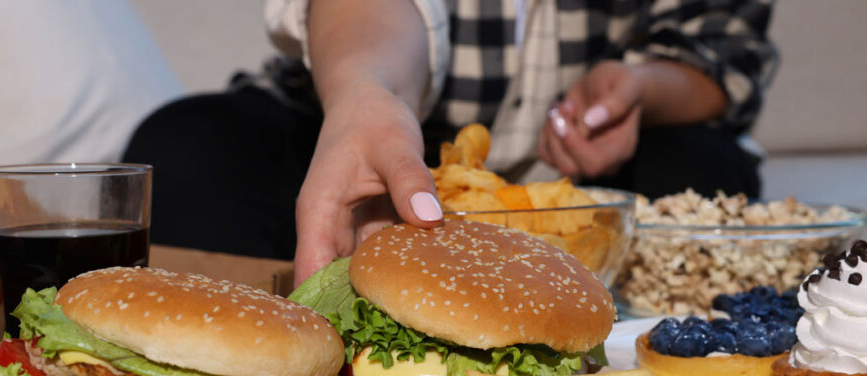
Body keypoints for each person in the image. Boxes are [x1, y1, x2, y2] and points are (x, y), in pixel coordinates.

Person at [122, 0, 776, 286]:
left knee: (710, 168)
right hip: (364, 131)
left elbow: (723, 47)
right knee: (187, 147)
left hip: (587, 173)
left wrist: (641, 88)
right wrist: (364, 92)